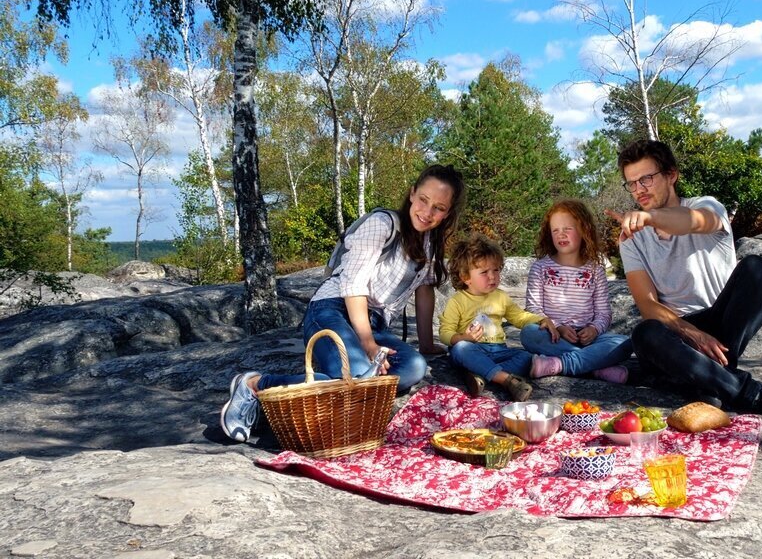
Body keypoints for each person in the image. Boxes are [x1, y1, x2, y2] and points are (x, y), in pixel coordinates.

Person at [221, 164, 465, 442]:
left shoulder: (430, 242)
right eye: (424, 199)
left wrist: (425, 343)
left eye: (439, 207)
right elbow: (353, 285)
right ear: (412, 194)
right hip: (333, 310)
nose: (428, 211)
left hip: (372, 323)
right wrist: (368, 343)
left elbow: (424, 288)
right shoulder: (382, 225)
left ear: (448, 213)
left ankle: (311, 394)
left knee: (413, 367)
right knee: (360, 377)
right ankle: (254, 385)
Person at [606, 139, 762, 423]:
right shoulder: (632, 239)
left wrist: (651, 218)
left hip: (725, 329)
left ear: (671, 175)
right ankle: (749, 394)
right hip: (677, 337)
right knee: (645, 333)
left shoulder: (706, 206)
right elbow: (647, 304)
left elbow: (693, 220)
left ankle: (707, 380)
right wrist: (692, 333)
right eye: (632, 183)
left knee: (758, 269)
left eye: (647, 179)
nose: (639, 189)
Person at [519, 199, 633, 383]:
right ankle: (595, 366)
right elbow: (533, 309)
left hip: (588, 339)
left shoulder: (595, 270)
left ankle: (560, 364)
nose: (560, 235)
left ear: (583, 230)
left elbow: (604, 313)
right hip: (554, 337)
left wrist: (594, 330)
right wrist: (558, 327)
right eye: (555, 230)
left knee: (625, 343)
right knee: (528, 333)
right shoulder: (539, 268)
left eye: (567, 229)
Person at [439, 234, 559, 402]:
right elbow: (445, 333)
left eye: (496, 270)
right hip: (474, 349)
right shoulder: (457, 301)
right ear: (465, 277)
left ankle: (481, 374)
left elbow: (518, 316)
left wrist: (540, 319)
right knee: (460, 349)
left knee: (526, 357)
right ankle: (506, 380)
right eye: (484, 272)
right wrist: (463, 337)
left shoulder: (501, 297)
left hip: (499, 351)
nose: (492, 276)